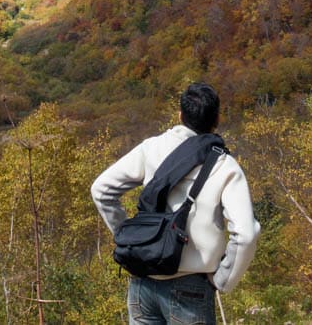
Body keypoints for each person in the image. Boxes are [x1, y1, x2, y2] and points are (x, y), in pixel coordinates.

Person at [91, 83, 261, 325]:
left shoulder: (151, 148)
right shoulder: (225, 165)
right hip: (191, 287)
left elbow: (101, 190)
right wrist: (223, 279)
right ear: (217, 119)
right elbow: (246, 234)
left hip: (143, 281)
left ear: (180, 115)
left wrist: (130, 239)